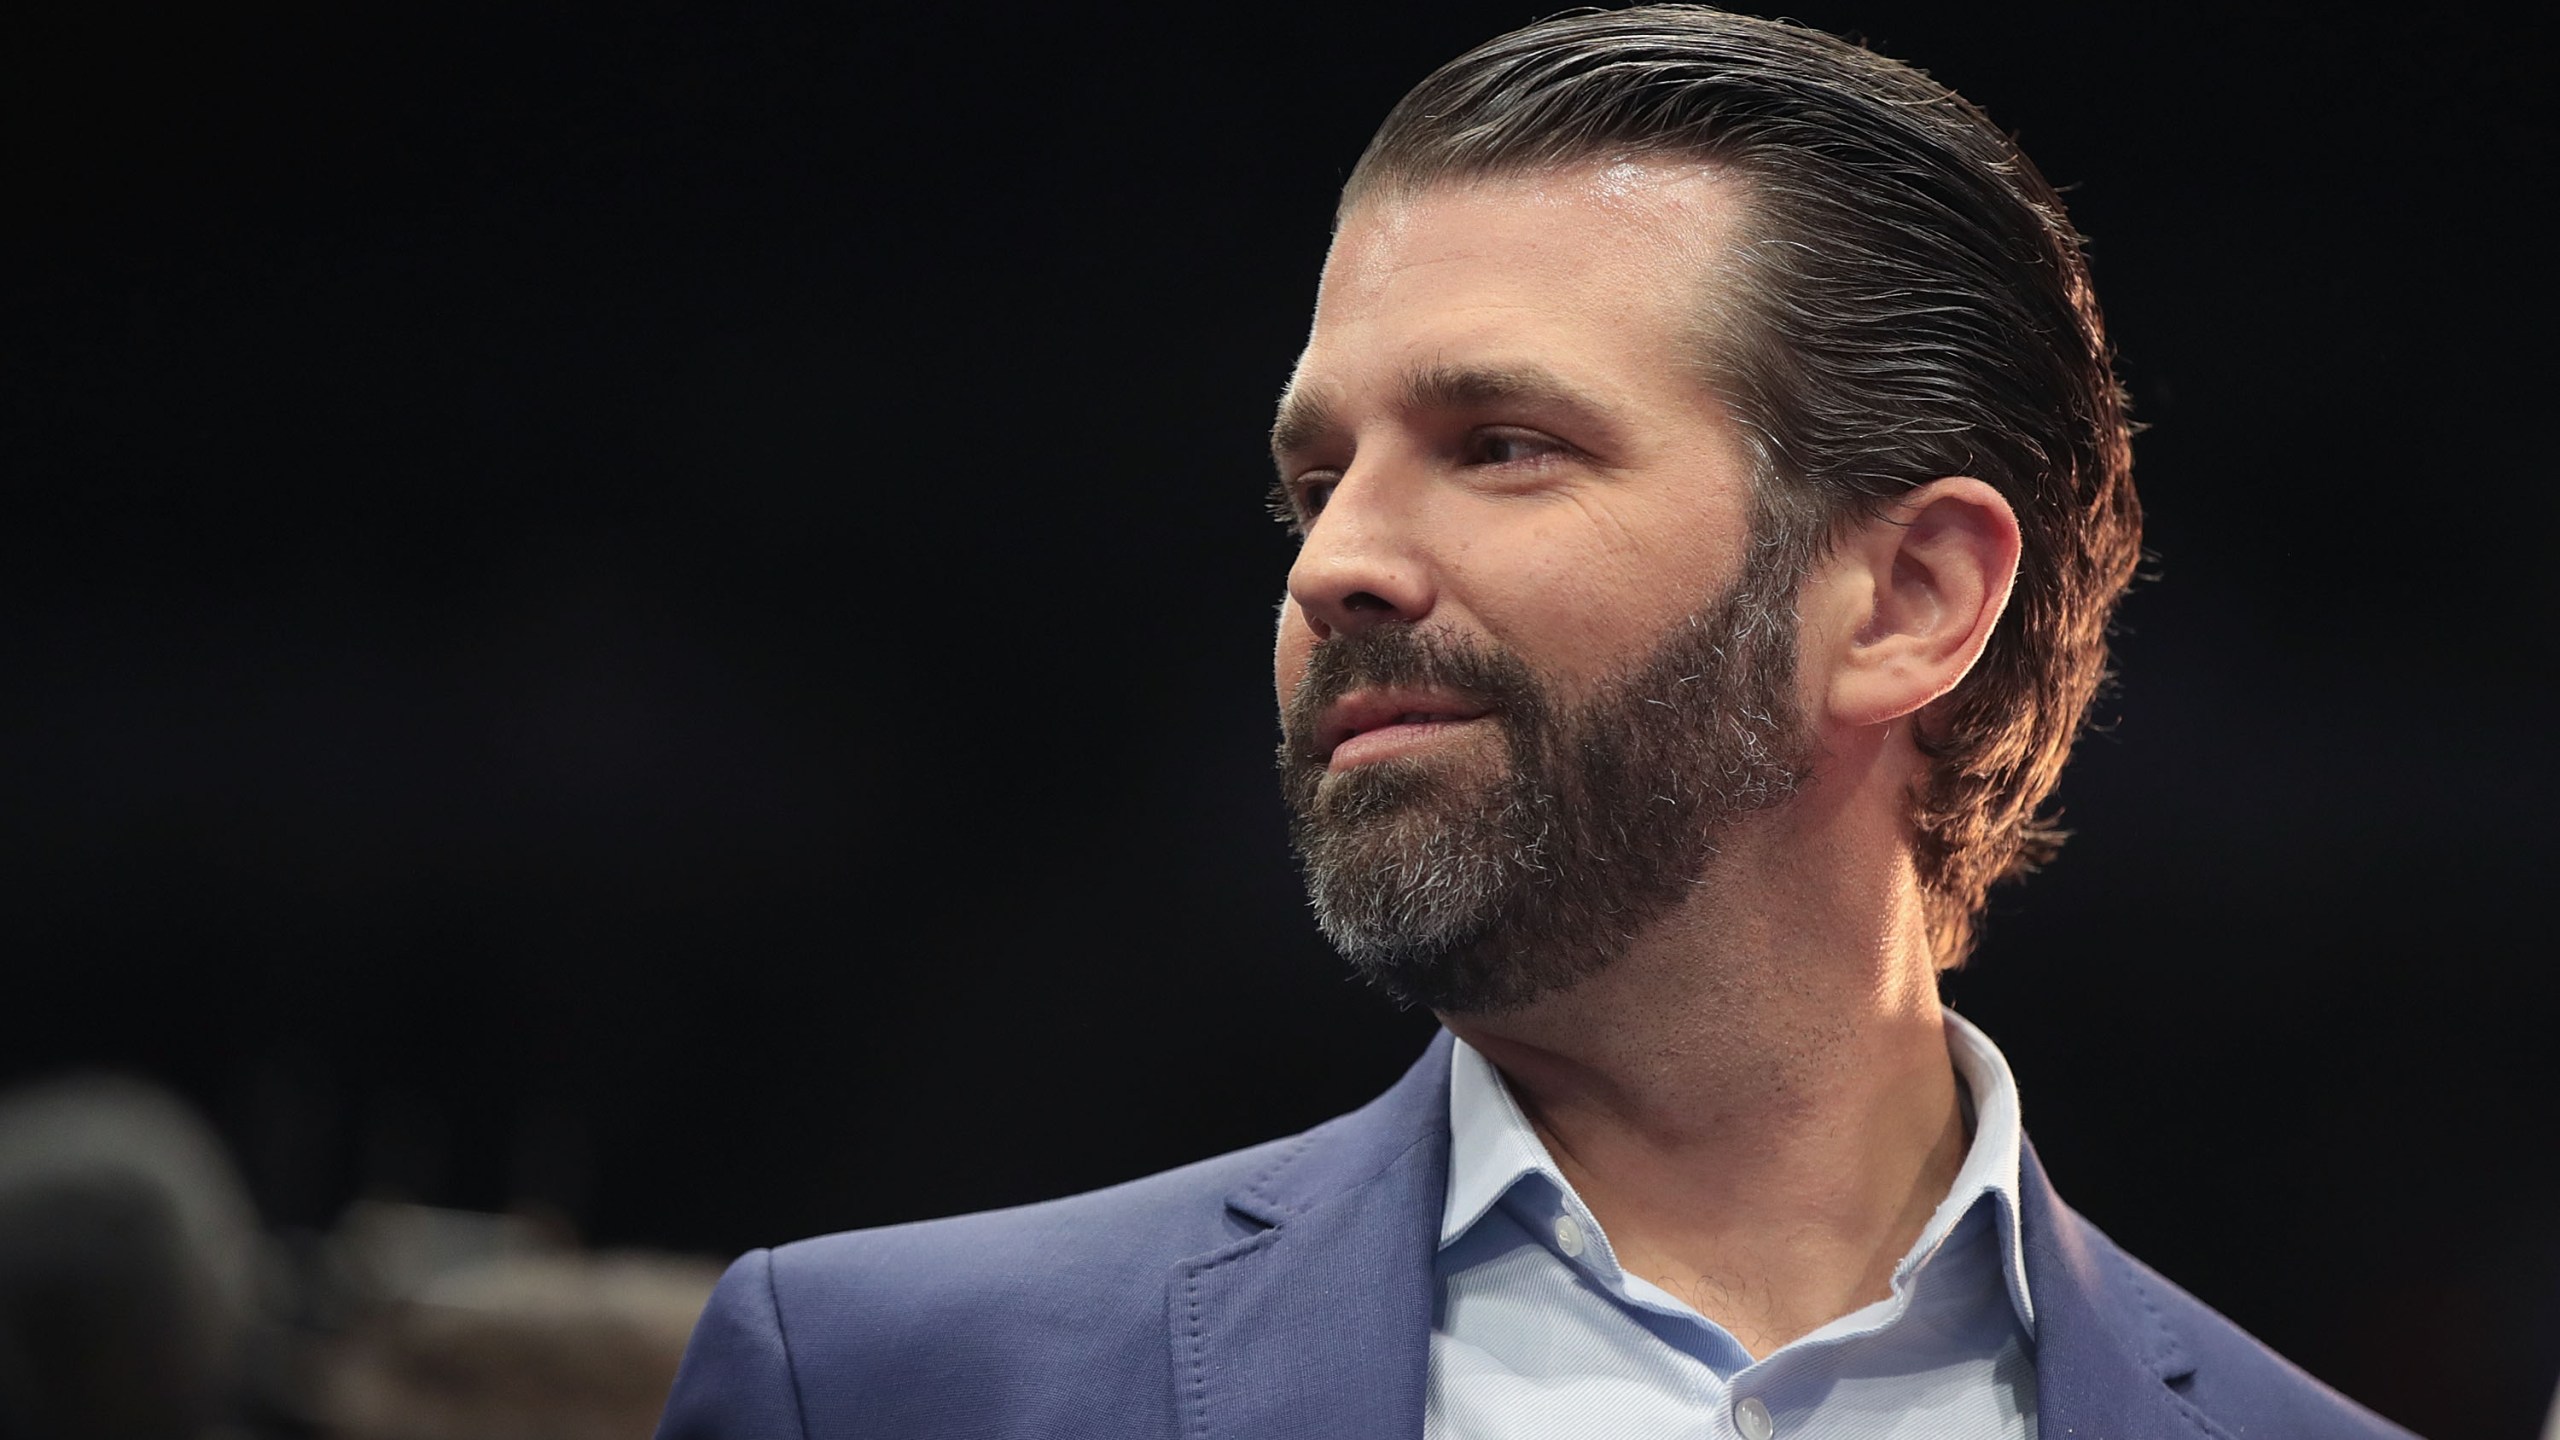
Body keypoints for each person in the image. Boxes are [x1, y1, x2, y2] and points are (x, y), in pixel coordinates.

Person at [657, 8, 2414, 1437]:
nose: (1334, 565)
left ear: (1907, 600)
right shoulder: (890, 1385)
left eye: (1503, 445)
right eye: (1313, 483)